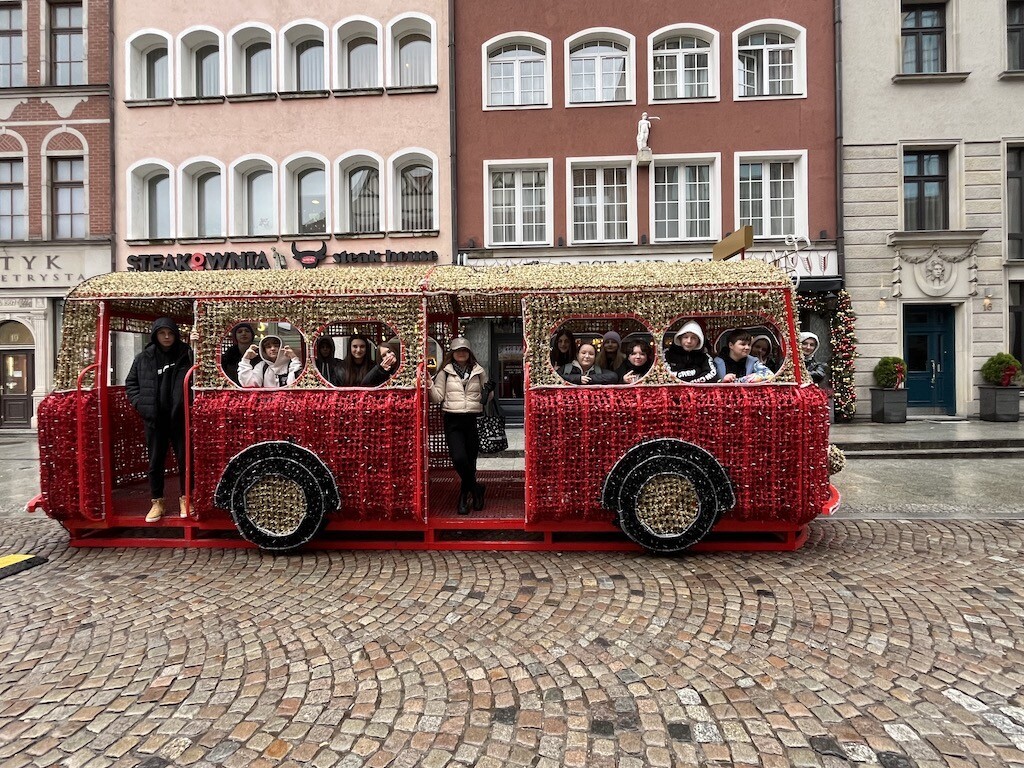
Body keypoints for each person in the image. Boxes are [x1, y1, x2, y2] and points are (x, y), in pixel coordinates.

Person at [125, 317, 194, 523]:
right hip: (155, 419)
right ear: (155, 335)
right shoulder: (143, 358)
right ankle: (157, 501)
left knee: (185, 460)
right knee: (155, 462)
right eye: (162, 333)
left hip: (180, 417)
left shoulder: (186, 354)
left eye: (170, 333)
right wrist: (141, 405)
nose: (166, 337)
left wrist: (195, 345)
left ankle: (186, 498)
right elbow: (131, 384)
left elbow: (199, 372)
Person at [430, 337, 492, 515]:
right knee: (459, 458)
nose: (461, 353)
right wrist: (429, 384)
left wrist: (489, 392)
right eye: (458, 350)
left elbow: (487, 398)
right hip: (453, 419)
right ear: (452, 353)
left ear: (469, 352)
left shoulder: (479, 371)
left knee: (471, 461)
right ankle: (476, 489)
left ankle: (464, 497)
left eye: (464, 350)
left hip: (472, 419)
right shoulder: (445, 372)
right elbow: (437, 397)